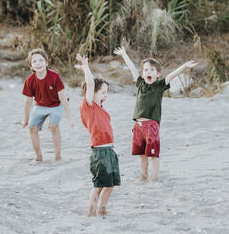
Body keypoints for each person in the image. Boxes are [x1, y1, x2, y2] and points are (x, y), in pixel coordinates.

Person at [114, 46, 197, 181]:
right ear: (142, 73)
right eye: (146, 70)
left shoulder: (159, 86)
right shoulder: (140, 83)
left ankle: (154, 177)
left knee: (153, 154)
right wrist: (124, 54)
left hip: (151, 125)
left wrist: (185, 66)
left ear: (157, 74)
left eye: (152, 70)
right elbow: (132, 69)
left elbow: (172, 75)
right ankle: (143, 175)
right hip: (138, 125)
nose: (149, 72)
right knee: (142, 154)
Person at [75, 53, 120, 216]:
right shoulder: (89, 107)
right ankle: (91, 211)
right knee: (99, 185)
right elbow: (90, 84)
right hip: (100, 152)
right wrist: (86, 67)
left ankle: (102, 208)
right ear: (92, 93)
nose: (105, 95)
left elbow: (92, 83)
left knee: (111, 184)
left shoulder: (101, 110)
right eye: (103, 92)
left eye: (107, 92)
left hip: (110, 151)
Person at [21, 48, 74, 162]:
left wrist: (69, 118)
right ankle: (38, 156)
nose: (38, 63)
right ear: (31, 66)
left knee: (53, 126)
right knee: (32, 127)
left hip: (56, 104)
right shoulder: (30, 80)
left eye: (40, 60)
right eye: (34, 61)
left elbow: (63, 98)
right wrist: (25, 120)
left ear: (46, 62)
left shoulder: (54, 77)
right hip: (40, 105)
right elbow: (28, 102)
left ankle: (58, 156)